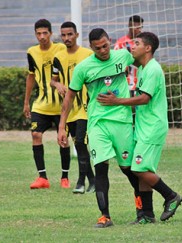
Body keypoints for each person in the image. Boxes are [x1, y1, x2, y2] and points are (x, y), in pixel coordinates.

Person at [57, 28, 141, 228]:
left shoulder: (123, 56)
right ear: (91, 48)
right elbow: (69, 97)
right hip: (97, 124)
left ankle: (143, 211)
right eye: (98, 48)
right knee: (101, 168)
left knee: (129, 169)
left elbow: (142, 62)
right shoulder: (84, 68)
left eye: (105, 46)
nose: (103, 50)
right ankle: (105, 216)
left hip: (122, 122)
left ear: (110, 41)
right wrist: (61, 127)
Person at [97, 32, 182, 223]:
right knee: (142, 168)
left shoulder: (152, 69)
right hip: (143, 126)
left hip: (153, 127)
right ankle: (147, 214)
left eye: (136, 43)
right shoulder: (143, 68)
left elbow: (144, 98)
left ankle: (171, 196)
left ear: (148, 48)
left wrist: (116, 101)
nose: (132, 46)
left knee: (138, 168)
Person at [23, 19, 71, 189]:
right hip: (41, 104)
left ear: (51, 33)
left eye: (45, 33)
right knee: (36, 135)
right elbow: (31, 76)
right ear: (35, 34)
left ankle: (64, 177)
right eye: (38, 33)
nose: (42, 37)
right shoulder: (31, 52)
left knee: (63, 140)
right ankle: (42, 178)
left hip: (61, 106)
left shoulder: (60, 48)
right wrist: (26, 102)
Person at [50, 21, 95, 194]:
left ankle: (80, 182)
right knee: (80, 145)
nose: (67, 38)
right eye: (64, 35)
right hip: (70, 108)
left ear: (76, 35)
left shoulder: (88, 54)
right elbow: (52, 79)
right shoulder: (58, 57)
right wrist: (57, 84)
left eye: (70, 34)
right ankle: (91, 180)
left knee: (80, 142)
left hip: (85, 106)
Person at [114, 15, 144, 94]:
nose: (139, 30)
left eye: (141, 27)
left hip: (140, 82)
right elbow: (115, 63)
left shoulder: (142, 43)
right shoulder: (120, 43)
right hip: (125, 84)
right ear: (130, 26)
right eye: (137, 28)